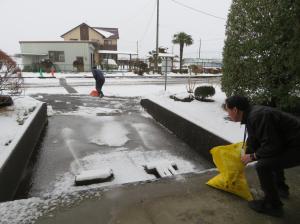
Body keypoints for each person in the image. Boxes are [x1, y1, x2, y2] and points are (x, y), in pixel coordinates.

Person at [224, 95, 300, 217]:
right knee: (269, 158)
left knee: (263, 166)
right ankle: (281, 188)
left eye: (227, 109)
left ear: (235, 110)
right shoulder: (251, 115)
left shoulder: (258, 116)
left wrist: (253, 156)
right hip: (289, 144)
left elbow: (272, 145)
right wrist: (248, 151)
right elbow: (255, 138)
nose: (227, 113)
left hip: (296, 147)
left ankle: (273, 205)